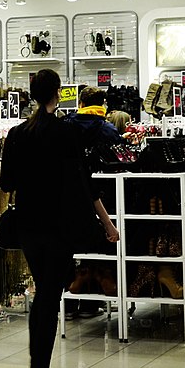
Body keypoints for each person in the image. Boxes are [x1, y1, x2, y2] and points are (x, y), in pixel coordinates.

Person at [0, 69, 118, 368]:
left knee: (45, 294)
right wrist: (107, 224)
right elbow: (84, 184)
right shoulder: (65, 134)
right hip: (59, 228)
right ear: (58, 94)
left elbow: (7, 183)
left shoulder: (17, 133)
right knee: (48, 299)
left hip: (28, 228)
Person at [63, 87, 122, 318]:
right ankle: (90, 304)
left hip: (71, 196)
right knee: (98, 248)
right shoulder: (107, 129)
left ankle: (68, 304)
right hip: (103, 197)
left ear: (80, 102)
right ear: (103, 104)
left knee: (70, 251)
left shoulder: (66, 125)